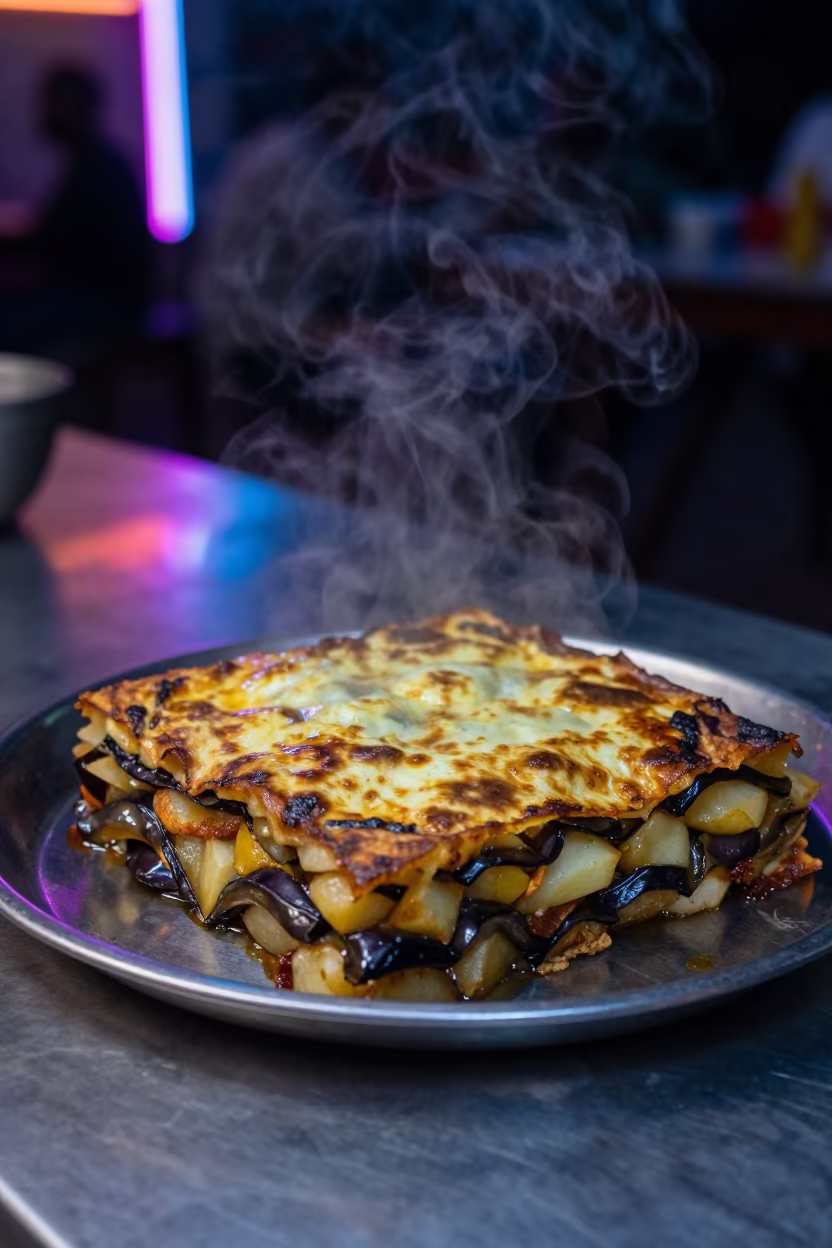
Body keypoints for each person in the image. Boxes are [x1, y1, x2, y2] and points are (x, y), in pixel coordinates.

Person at [0, 64, 150, 363]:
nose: (43, 115)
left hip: (106, 303)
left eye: (50, 104)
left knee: (11, 323)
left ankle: (24, 405)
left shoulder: (95, 166)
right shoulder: (96, 159)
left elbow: (53, 239)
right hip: (107, 296)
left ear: (69, 107)